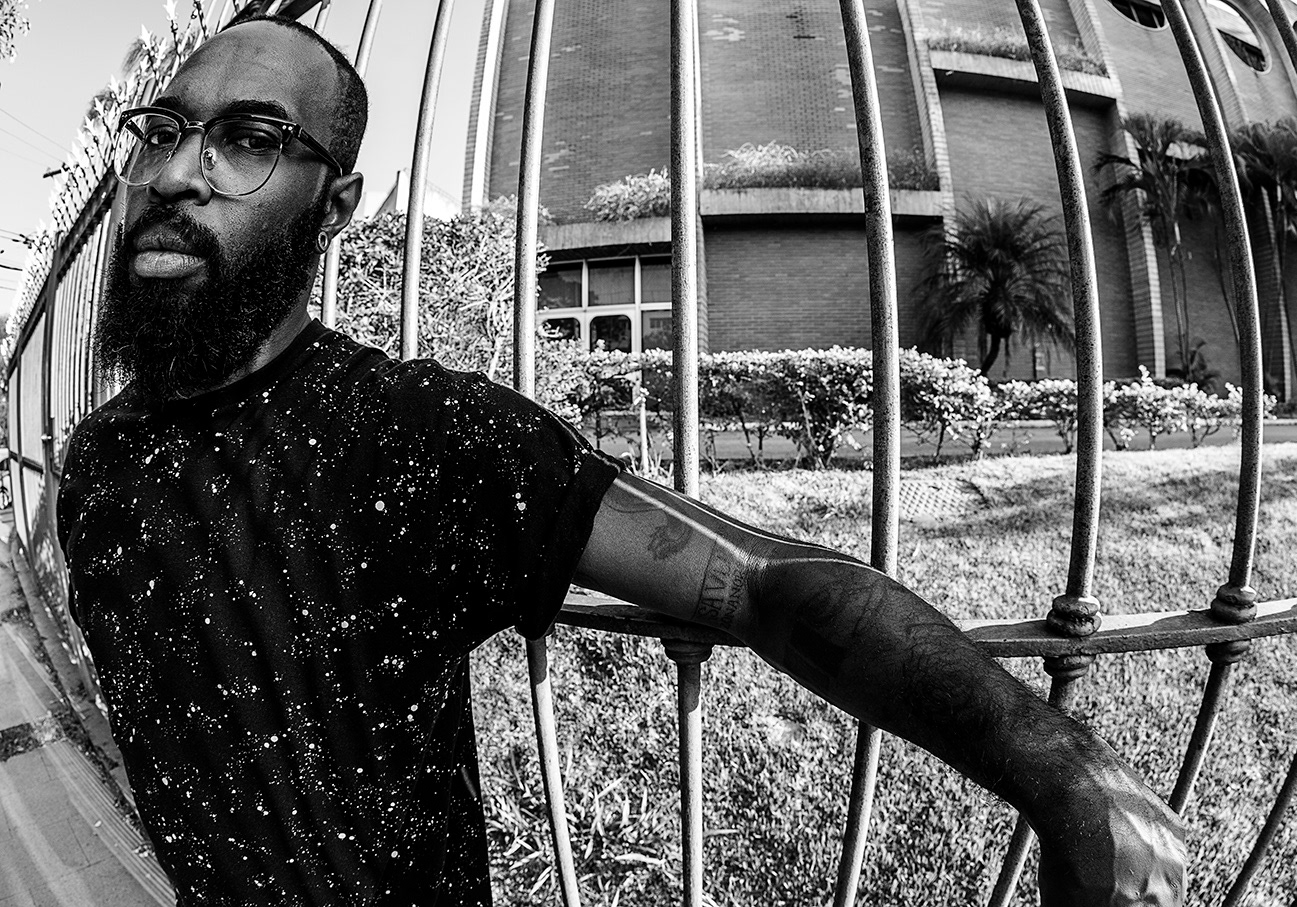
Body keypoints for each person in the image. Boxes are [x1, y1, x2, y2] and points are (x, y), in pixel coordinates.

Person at [57, 14, 1185, 907]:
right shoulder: (97, 461)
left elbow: (760, 583)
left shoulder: (408, 430)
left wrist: (1057, 765)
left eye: (250, 139)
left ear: (336, 204)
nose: (177, 173)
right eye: (163, 130)